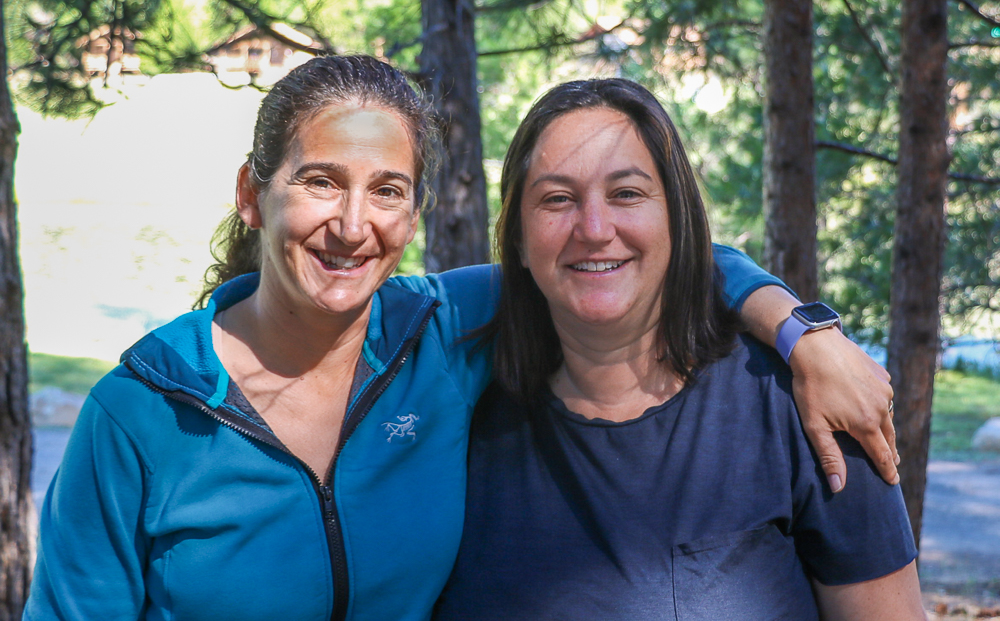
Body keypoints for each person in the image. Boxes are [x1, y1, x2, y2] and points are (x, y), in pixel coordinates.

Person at [26, 57, 900, 621]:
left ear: (413, 215)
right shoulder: (140, 416)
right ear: (254, 196)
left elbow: (633, 261)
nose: (352, 224)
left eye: (387, 190)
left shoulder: (439, 335)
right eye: (321, 181)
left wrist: (801, 330)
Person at [434, 78, 923, 621]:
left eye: (627, 193)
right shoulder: (454, 419)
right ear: (519, 240)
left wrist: (802, 332)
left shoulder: (803, 403)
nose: (594, 229)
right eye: (557, 199)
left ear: (677, 220)